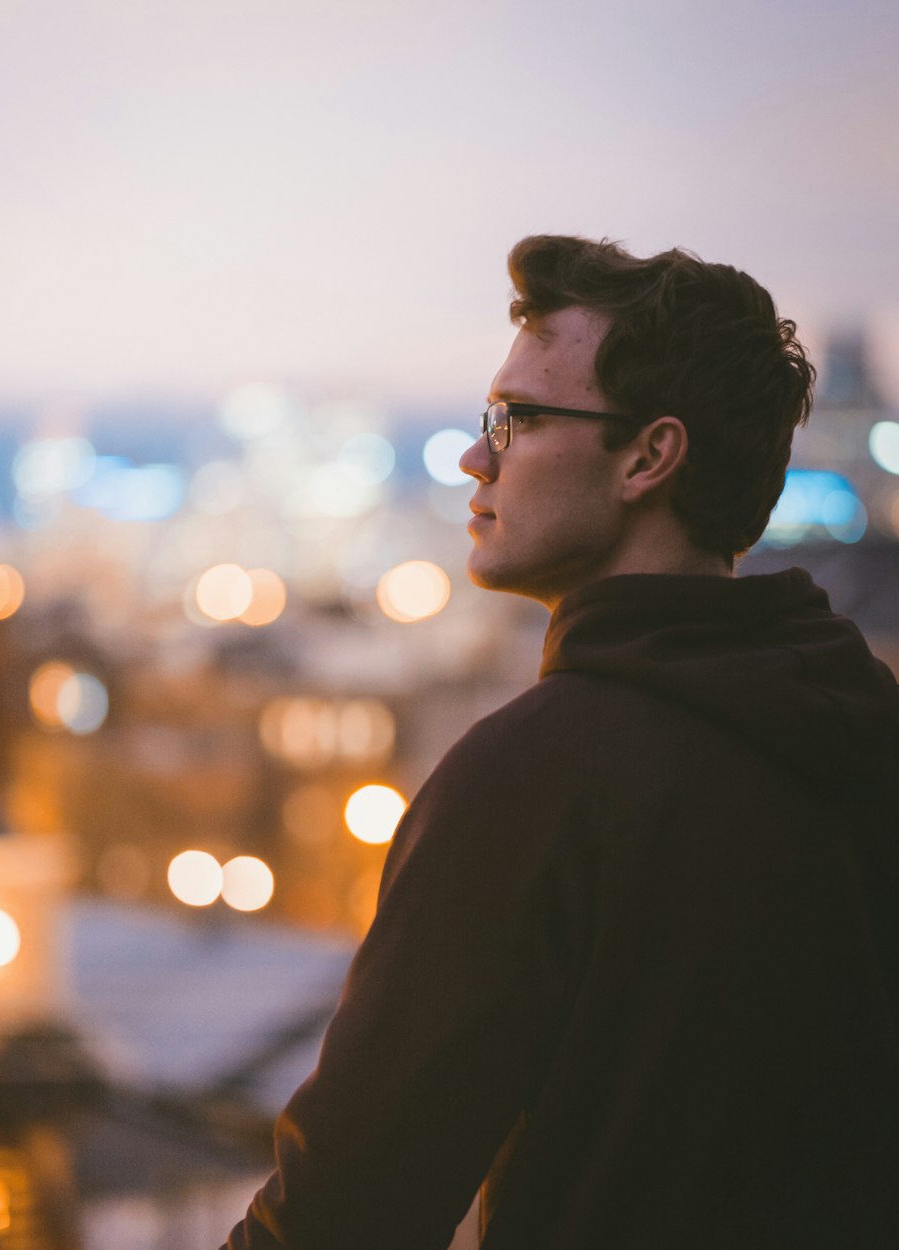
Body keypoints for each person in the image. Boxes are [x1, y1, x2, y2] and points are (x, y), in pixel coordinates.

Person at [225, 236, 899, 1248]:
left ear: (647, 456)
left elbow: (343, 1213)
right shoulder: (862, 733)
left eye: (520, 416)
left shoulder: (533, 778)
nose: (474, 455)